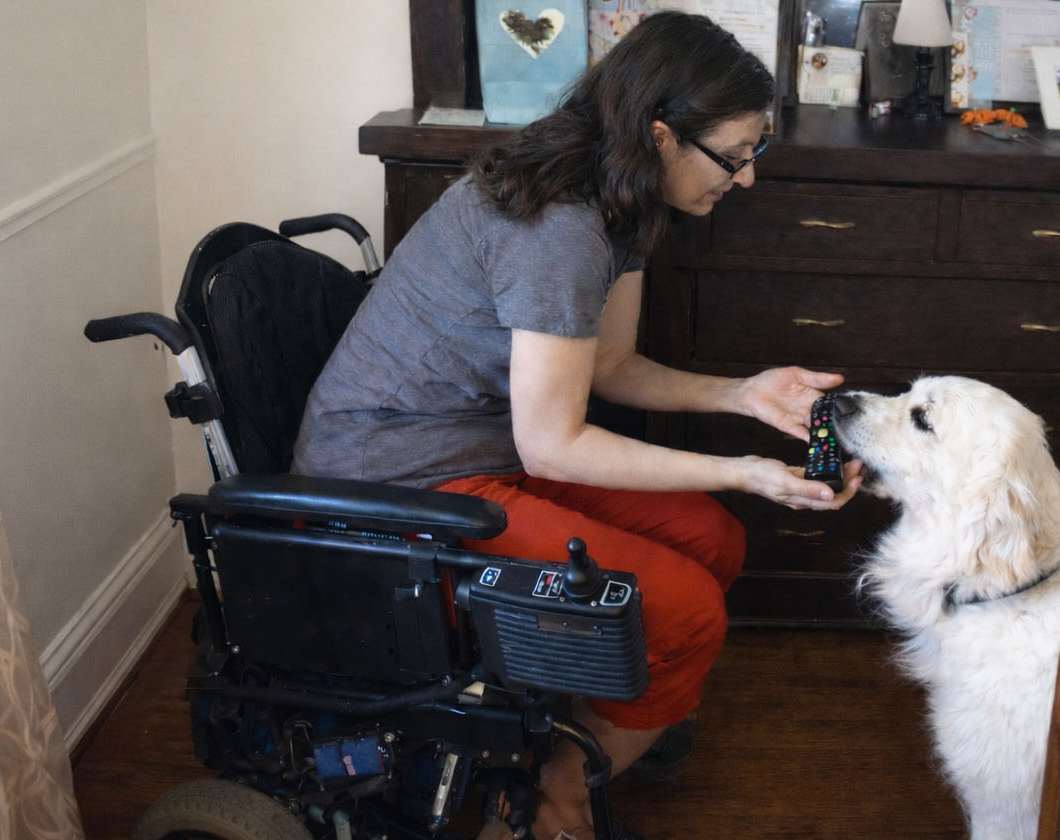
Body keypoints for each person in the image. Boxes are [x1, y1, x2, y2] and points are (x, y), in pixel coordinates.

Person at [291, 11, 862, 839]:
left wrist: (744, 394)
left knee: (713, 542)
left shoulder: (620, 197)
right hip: (394, 481)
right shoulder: (559, 227)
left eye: (753, 155)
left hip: (482, 446)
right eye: (734, 156)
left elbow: (608, 369)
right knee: (690, 610)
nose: (744, 180)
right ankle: (549, 799)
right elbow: (554, 442)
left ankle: (589, 719)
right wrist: (745, 469)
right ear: (663, 135)